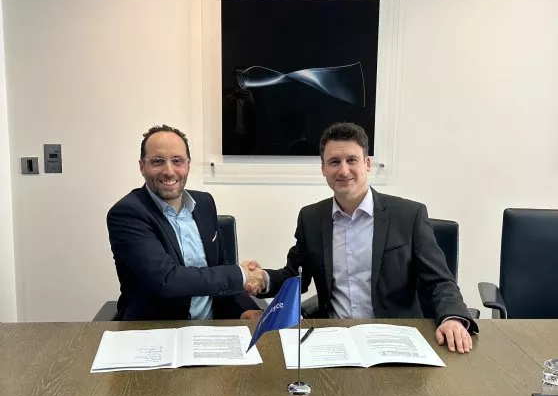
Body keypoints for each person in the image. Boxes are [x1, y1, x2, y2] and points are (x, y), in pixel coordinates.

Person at [249, 122, 478, 353]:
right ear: (323, 169)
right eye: (334, 162)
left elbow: (440, 281)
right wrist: (261, 279)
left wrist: (452, 318)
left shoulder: (409, 216)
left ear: (367, 164)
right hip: (335, 339)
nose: (343, 170)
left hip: (395, 337)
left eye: (352, 160)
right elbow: (294, 276)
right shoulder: (311, 218)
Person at [107, 125, 266, 321]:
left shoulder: (204, 203)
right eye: (157, 161)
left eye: (177, 161)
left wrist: (246, 309)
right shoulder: (127, 214)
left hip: (211, 328)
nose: (169, 171)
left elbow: (219, 268)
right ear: (142, 167)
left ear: (188, 165)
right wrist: (240, 275)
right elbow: (167, 280)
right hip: (154, 328)